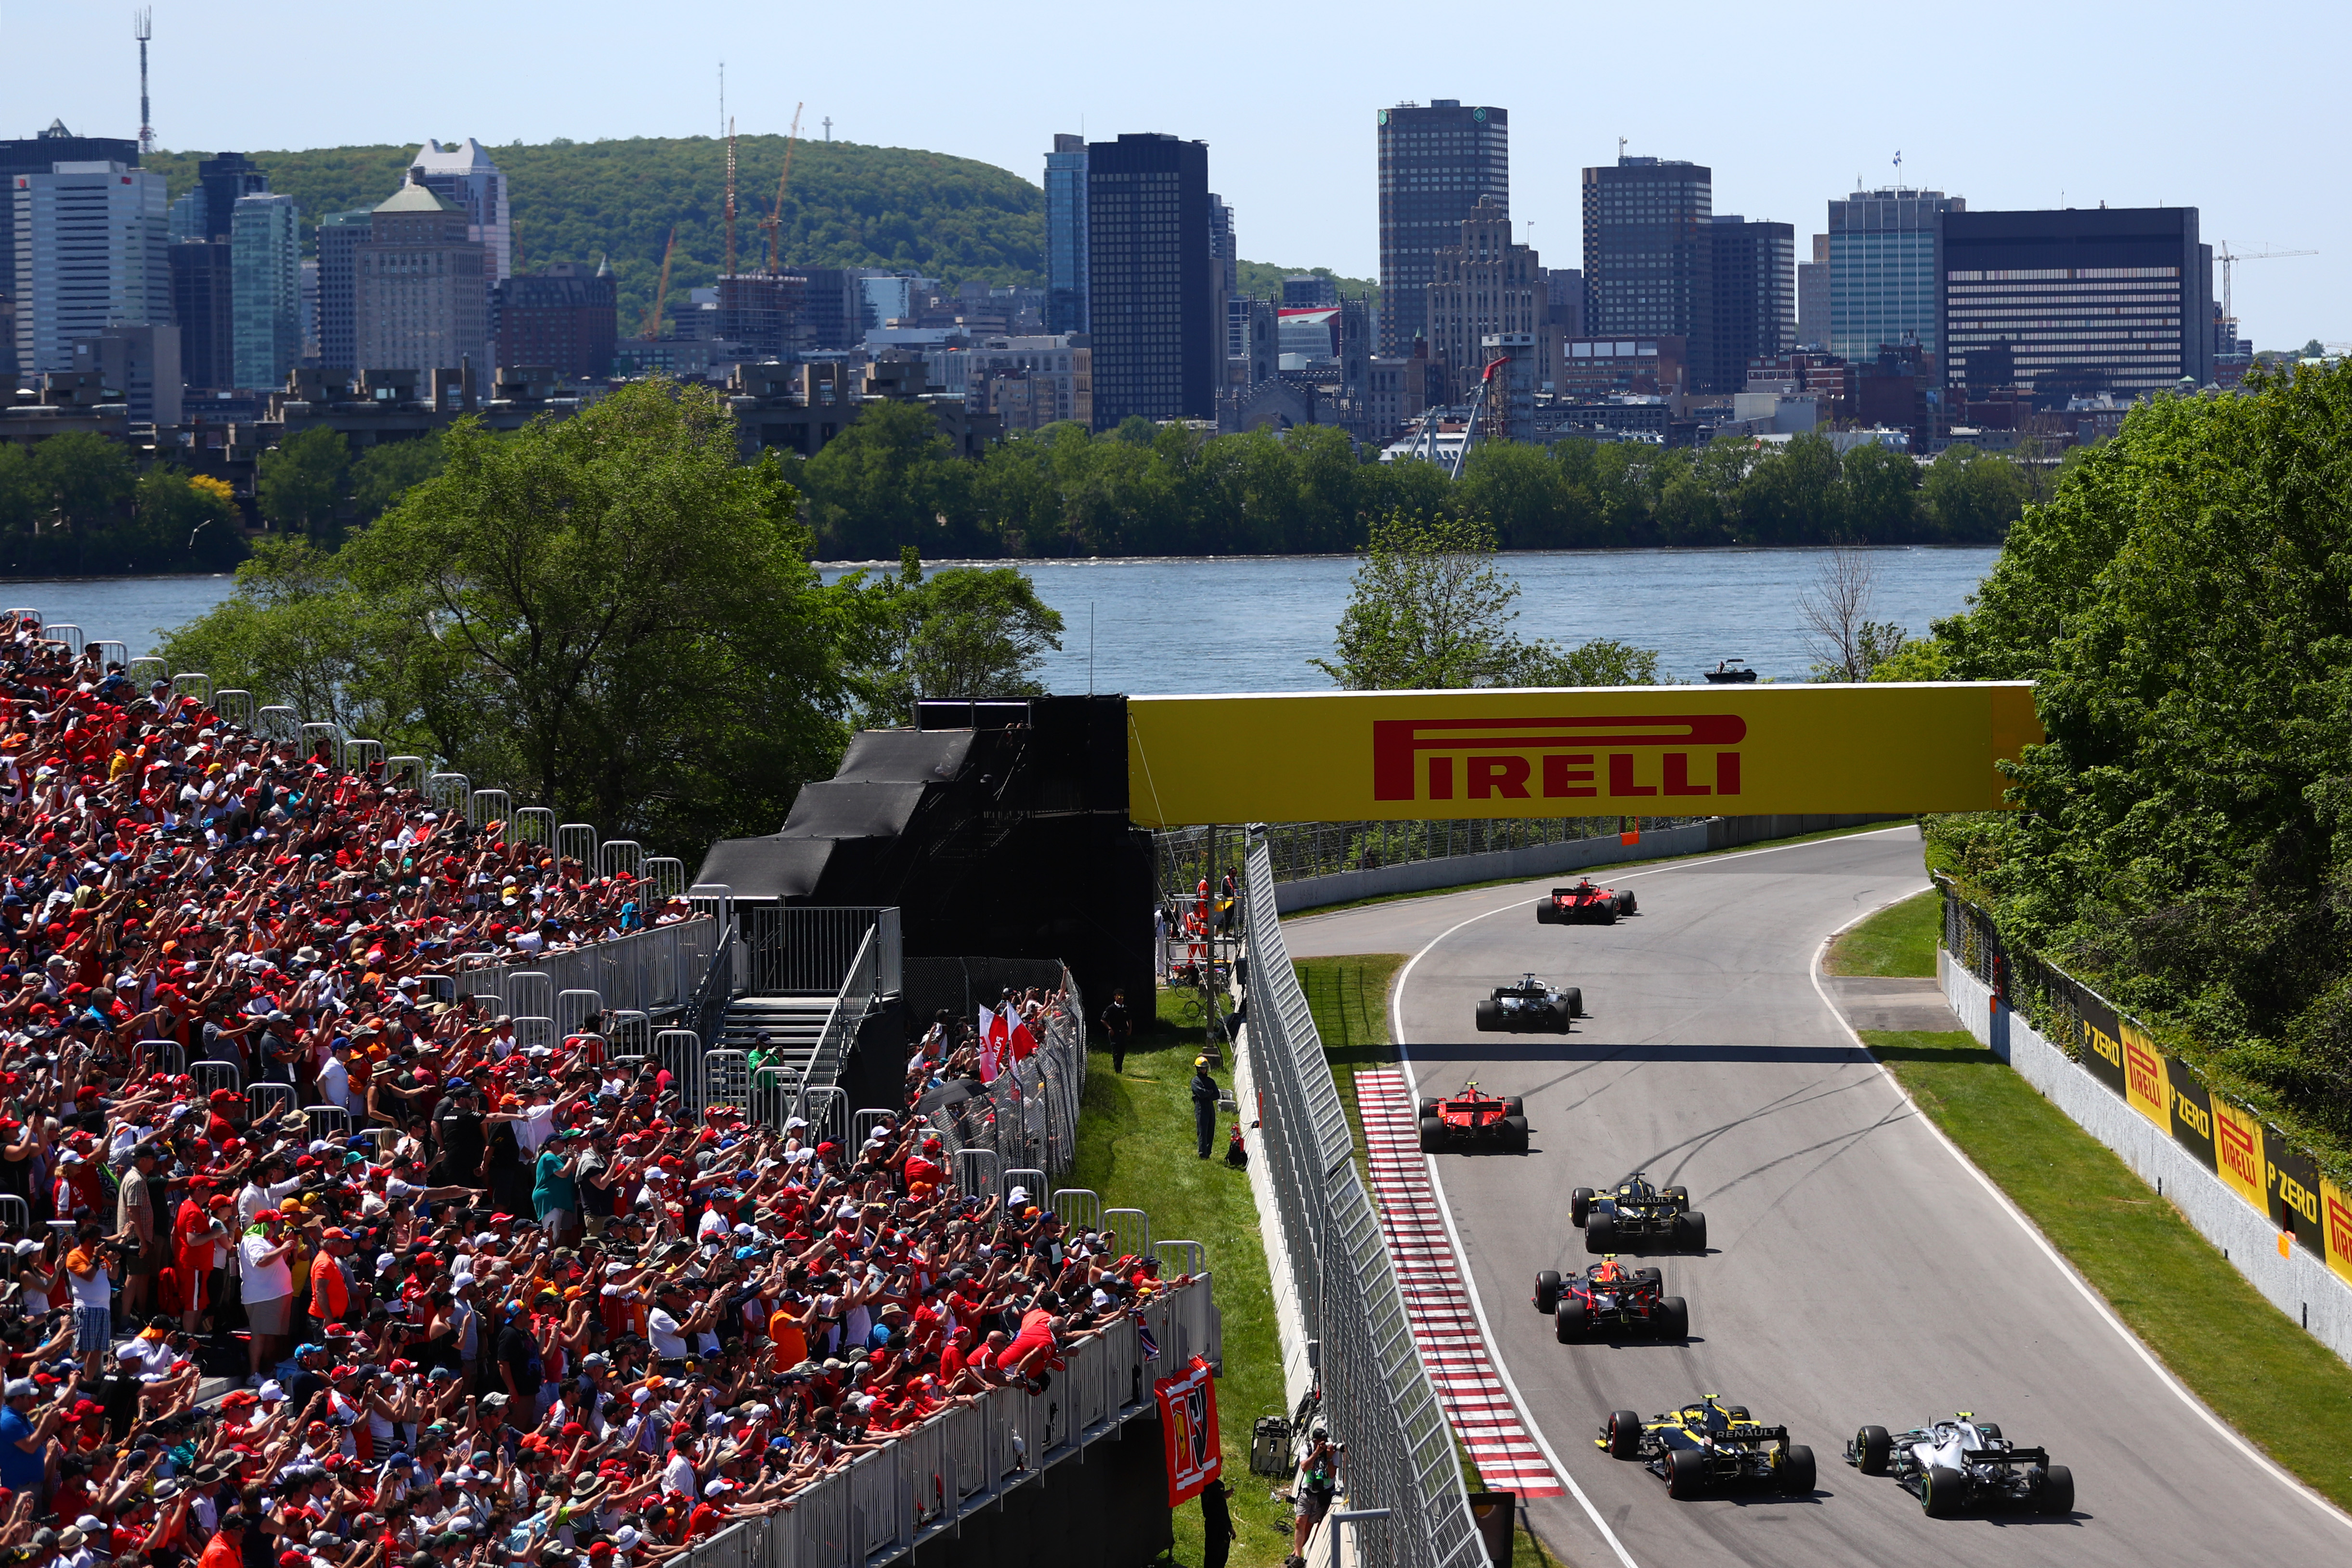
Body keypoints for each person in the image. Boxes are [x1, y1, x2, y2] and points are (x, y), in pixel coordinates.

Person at [1288, 1430, 1341, 1568]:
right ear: (1315, 1441)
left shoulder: (1332, 1452)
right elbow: (1305, 1467)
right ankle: (1298, 1556)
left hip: (1322, 1494)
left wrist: (1329, 1457)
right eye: (1321, 1441)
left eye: (1326, 1440)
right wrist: (1317, 1452)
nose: (1324, 1443)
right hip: (1307, 1491)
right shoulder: (1307, 1449)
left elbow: (1332, 1475)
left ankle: (1295, 1554)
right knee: (1300, 1522)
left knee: (1309, 1525)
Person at [1201, 1476, 1237, 1568]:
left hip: (1223, 1526)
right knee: (1212, 1555)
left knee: (1223, 1555)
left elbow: (1224, 1508)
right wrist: (1222, 1497)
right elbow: (1208, 1510)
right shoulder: (1207, 1486)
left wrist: (1230, 1526)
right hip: (1213, 1525)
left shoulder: (1220, 1485)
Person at [1191, 1058, 1221, 1160]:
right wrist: (1209, 1092)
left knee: (1210, 1129)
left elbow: (1217, 1095)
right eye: (1202, 1068)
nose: (1204, 1070)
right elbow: (1200, 1093)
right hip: (1201, 1107)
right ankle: (1203, 1154)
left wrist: (1207, 1094)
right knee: (1202, 1130)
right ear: (1198, 1069)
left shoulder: (1210, 1081)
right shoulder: (1195, 1081)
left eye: (1205, 1068)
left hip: (1210, 1106)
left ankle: (1208, 1152)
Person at [1101, 990, 1132, 1075]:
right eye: (1119, 997)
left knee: (1122, 1051)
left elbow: (1129, 1019)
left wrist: (1129, 1029)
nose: (1121, 999)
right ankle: (1117, 1069)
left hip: (1123, 1032)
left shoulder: (1125, 1008)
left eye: (1122, 997)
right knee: (1116, 1051)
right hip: (1114, 1033)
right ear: (1115, 997)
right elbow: (1103, 1020)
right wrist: (1110, 1029)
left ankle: (1120, 1067)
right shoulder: (1111, 1008)